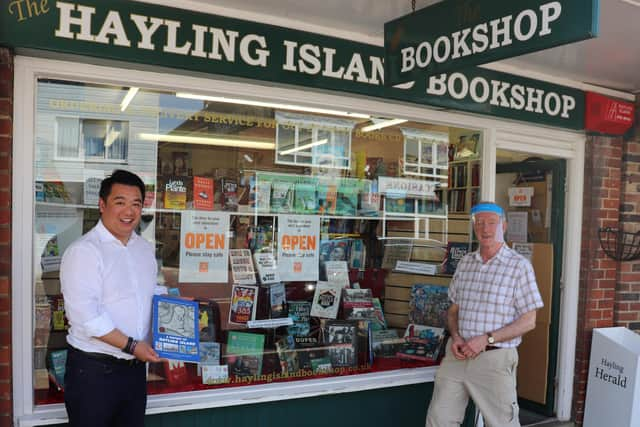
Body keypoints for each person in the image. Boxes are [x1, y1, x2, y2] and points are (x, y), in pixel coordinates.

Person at [426, 202, 543, 427]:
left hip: (495, 358)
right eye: (479, 223)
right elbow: (453, 311)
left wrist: (487, 339)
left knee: (502, 423)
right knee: (438, 419)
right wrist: (457, 337)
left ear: (504, 226)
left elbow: (529, 321)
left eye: (492, 223)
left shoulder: (518, 266)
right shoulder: (465, 263)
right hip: (457, 356)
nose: (485, 228)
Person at [61, 169, 164, 427]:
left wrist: (178, 314)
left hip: (134, 371)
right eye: (120, 202)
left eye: (136, 204)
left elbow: (149, 297)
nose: (129, 212)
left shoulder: (143, 249)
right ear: (102, 205)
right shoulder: (84, 252)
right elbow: (88, 319)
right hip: (95, 374)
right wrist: (133, 346)